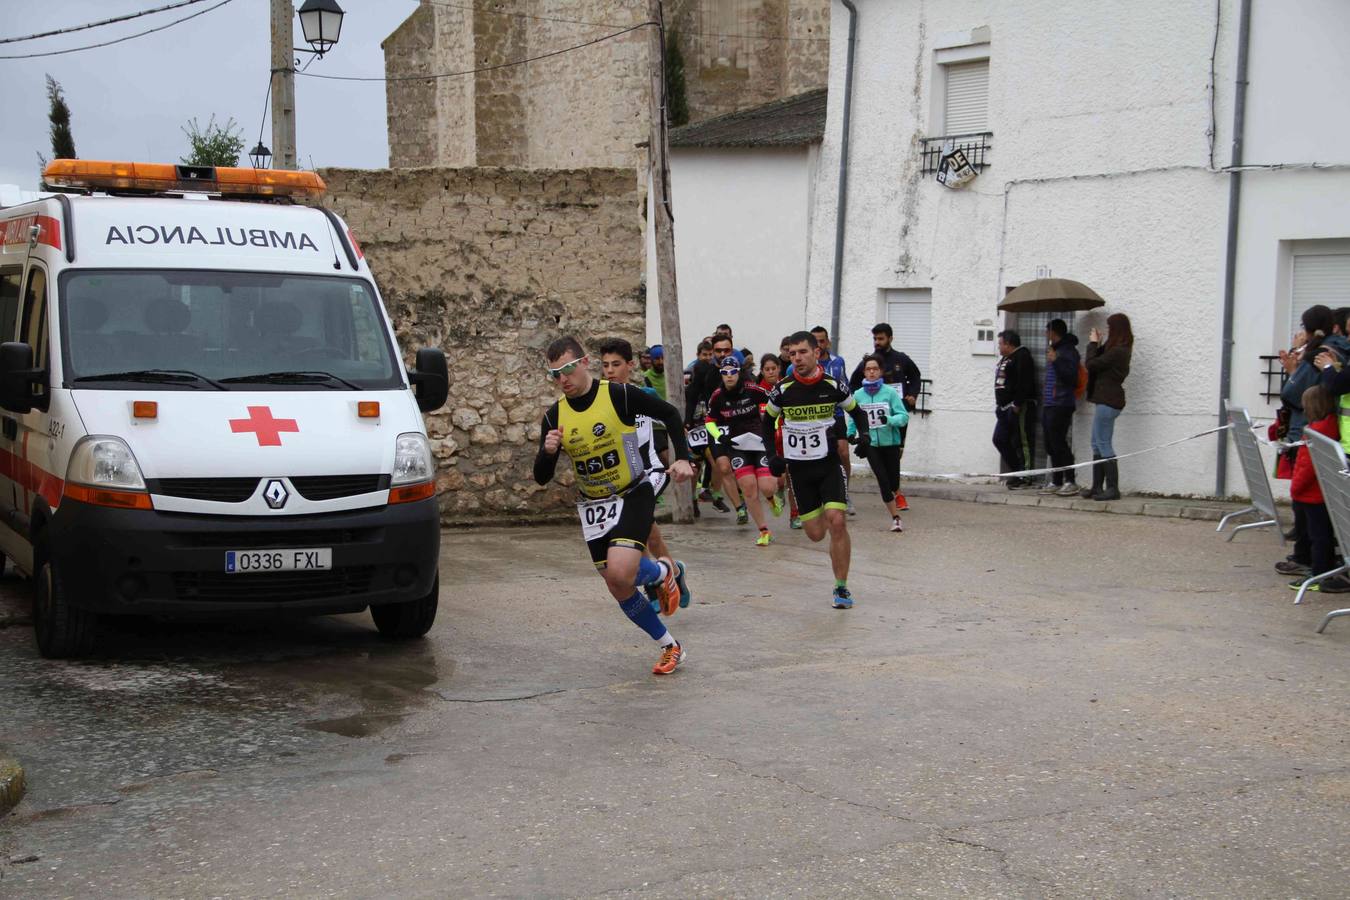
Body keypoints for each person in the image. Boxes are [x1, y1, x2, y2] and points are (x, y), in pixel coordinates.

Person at [532, 337, 695, 675]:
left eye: (566, 370)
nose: (562, 380)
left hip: (633, 492)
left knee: (622, 571)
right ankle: (670, 641)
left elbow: (669, 414)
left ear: (584, 362)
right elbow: (541, 477)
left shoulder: (617, 394)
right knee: (617, 583)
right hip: (594, 506)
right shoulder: (555, 416)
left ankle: (664, 572)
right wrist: (547, 452)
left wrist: (684, 459)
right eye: (554, 375)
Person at [761, 331, 871, 608]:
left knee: (837, 520)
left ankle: (841, 588)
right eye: (793, 353)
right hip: (800, 471)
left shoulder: (833, 385)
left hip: (828, 465)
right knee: (815, 534)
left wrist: (865, 437)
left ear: (816, 353)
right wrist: (772, 456)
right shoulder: (783, 389)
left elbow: (857, 411)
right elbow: (766, 422)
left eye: (803, 352)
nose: (797, 358)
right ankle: (821, 509)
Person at [598, 340, 685, 607]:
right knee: (651, 534)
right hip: (623, 479)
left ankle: (654, 585)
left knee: (638, 528)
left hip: (652, 472)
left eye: (616, 365)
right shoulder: (600, 401)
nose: (610, 371)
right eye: (605, 366)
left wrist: (683, 456)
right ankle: (674, 572)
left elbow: (671, 418)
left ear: (630, 366)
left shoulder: (644, 394)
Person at [706, 356, 780, 544]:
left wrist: (775, 428)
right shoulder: (717, 396)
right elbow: (709, 421)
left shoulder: (752, 389)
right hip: (738, 446)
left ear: (739, 373)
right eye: (725, 373)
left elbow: (775, 406)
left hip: (760, 442)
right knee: (748, 489)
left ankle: (772, 498)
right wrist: (719, 436)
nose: (729, 376)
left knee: (767, 486)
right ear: (721, 375)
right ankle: (764, 531)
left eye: (733, 372)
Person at [849, 323, 922, 510]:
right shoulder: (869, 361)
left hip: (896, 411)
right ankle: (893, 492)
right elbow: (853, 382)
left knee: (895, 452)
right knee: (876, 452)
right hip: (873, 417)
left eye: (881, 339)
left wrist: (912, 394)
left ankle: (895, 489)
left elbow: (915, 376)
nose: (877, 342)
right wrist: (858, 401)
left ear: (890, 338)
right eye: (875, 339)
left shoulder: (901, 359)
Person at [1286, 385, 1350, 593]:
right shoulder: (1331, 426)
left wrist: (1295, 489)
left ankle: (1319, 572)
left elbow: (1306, 465)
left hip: (1311, 495)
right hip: (1321, 493)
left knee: (1317, 536)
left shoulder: (1315, 432)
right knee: (1322, 535)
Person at [847, 354, 910, 532]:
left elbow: (903, 417)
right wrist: (851, 433)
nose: (872, 372)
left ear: (881, 371)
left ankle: (896, 493)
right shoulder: (858, 395)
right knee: (882, 481)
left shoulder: (890, 393)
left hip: (890, 443)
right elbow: (853, 417)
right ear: (864, 372)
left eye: (875, 369)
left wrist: (888, 419)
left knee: (893, 483)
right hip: (871, 444)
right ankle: (895, 518)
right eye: (868, 369)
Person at [1081, 314, 1133, 501]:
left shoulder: (1120, 350)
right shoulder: (1115, 348)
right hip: (1104, 400)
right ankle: (1097, 487)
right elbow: (1099, 359)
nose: (1109, 330)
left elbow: (1092, 364)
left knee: (1103, 443)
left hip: (1109, 401)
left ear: (1118, 330)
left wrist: (1093, 344)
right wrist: (1099, 343)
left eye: (1111, 328)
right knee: (1096, 443)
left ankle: (1112, 488)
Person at [1039, 318, 1082, 496]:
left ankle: (1070, 480)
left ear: (1053, 333)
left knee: (1059, 442)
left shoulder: (1068, 351)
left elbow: (1071, 378)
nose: (1045, 335)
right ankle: (1056, 480)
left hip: (1062, 402)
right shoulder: (1055, 350)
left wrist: (1056, 361)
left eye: (1047, 331)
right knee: (1050, 443)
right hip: (1050, 402)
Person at [992, 329, 1038, 490]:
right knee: (999, 439)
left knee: (1022, 441)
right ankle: (1016, 471)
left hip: (1017, 407)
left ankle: (1025, 476)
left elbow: (1024, 382)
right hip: (1003, 408)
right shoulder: (1007, 358)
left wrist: (1017, 404)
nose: (998, 347)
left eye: (1000, 343)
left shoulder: (1022, 356)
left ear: (1009, 343)